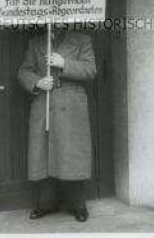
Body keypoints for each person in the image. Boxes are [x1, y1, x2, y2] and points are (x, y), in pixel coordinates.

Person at [18, 26, 96, 222]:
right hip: (44, 102)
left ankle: (78, 206)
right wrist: (37, 82)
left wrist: (64, 63)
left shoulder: (82, 40)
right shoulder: (36, 42)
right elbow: (23, 71)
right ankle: (46, 204)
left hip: (71, 103)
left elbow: (90, 70)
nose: (58, 20)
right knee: (44, 154)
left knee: (73, 155)